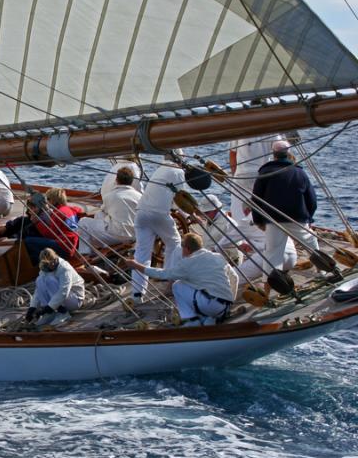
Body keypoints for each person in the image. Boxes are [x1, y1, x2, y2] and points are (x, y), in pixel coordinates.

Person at [125, 233, 237, 326]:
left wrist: (136, 265)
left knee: (177, 285)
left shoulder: (188, 263)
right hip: (225, 308)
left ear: (187, 249)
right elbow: (235, 277)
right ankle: (210, 317)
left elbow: (162, 274)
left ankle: (192, 320)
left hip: (210, 306)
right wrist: (230, 300)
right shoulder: (217, 256)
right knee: (197, 285)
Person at [251, 139, 318, 274]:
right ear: (288, 153)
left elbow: (256, 200)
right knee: (311, 244)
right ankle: (324, 272)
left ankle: (268, 288)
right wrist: (309, 218)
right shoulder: (300, 173)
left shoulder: (264, 173)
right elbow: (312, 199)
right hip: (297, 217)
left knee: (272, 255)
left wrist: (258, 221)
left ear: (274, 154)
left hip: (273, 219)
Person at [131, 151, 186, 301]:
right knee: (174, 242)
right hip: (159, 213)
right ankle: (168, 279)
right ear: (181, 159)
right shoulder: (178, 171)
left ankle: (137, 293)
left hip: (141, 212)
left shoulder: (159, 169)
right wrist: (189, 216)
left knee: (142, 253)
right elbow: (181, 199)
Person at [78, 167, 141, 253]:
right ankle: (102, 247)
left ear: (116, 180)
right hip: (134, 236)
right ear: (132, 181)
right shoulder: (140, 197)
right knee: (100, 214)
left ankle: (85, 253)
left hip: (116, 236)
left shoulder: (109, 196)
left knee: (83, 222)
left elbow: (105, 211)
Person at [229, 134, 282, 226]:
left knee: (237, 209)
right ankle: (260, 233)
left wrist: (235, 174)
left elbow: (233, 153)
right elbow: (279, 152)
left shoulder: (238, 125)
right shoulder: (272, 128)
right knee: (262, 208)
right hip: (262, 174)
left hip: (242, 174)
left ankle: (240, 233)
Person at [25, 248, 85, 327]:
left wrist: (49, 307)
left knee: (49, 280)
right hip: (59, 302)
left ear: (55, 258)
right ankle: (50, 314)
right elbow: (38, 290)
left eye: (52, 261)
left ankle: (63, 313)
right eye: (48, 263)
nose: (52, 265)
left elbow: (64, 291)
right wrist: (32, 307)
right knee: (40, 280)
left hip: (75, 299)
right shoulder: (44, 268)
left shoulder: (64, 268)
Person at [24, 188, 83, 265]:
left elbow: (50, 235)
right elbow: (79, 210)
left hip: (64, 247)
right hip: (72, 245)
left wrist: (37, 222)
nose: (46, 202)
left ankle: (43, 266)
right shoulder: (69, 209)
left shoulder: (58, 213)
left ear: (53, 200)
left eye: (48, 199)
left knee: (28, 241)